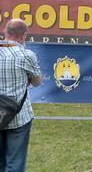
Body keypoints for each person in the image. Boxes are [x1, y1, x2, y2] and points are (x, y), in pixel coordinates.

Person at [0, 19, 43, 172]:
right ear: (24, 35)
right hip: (19, 115)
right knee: (15, 164)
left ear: (5, 31)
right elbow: (37, 81)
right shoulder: (26, 55)